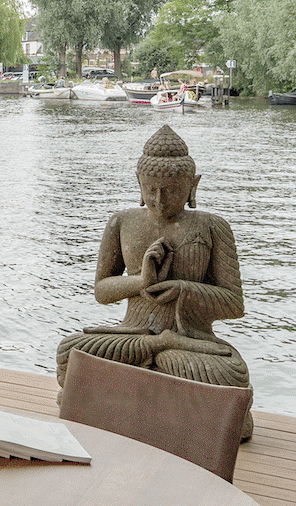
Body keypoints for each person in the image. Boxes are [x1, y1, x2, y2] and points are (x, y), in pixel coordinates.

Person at [55, 124, 254, 436]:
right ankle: (164, 369)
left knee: (232, 374)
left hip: (189, 344)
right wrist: (140, 281)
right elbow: (102, 291)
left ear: (193, 186)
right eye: (151, 191)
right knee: (70, 351)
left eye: (172, 191)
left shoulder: (213, 227)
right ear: (139, 183)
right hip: (133, 335)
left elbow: (233, 303)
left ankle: (118, 393)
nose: (160, 201)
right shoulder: (121, 222)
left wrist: (182, 289)